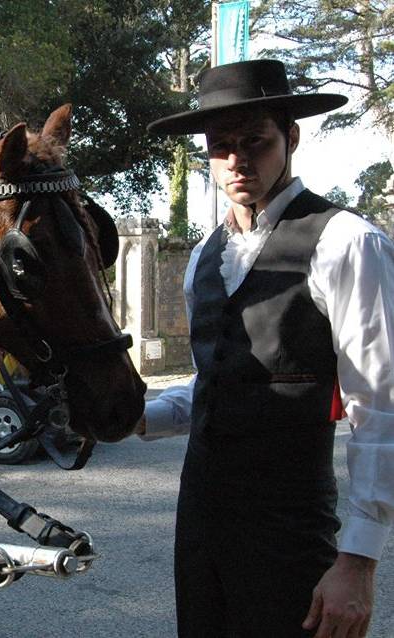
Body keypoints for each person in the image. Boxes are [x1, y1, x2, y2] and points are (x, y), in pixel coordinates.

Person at [143, 59, 394, 638]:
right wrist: (135, 415)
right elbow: (215, 382)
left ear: (291, 138)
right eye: (220, 145)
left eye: (254, 141)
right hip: (201, 529)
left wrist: (356, 562)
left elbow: (379, 411)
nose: (237, 160)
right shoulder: (205, 257)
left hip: (290, 533)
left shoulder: (346, 243)